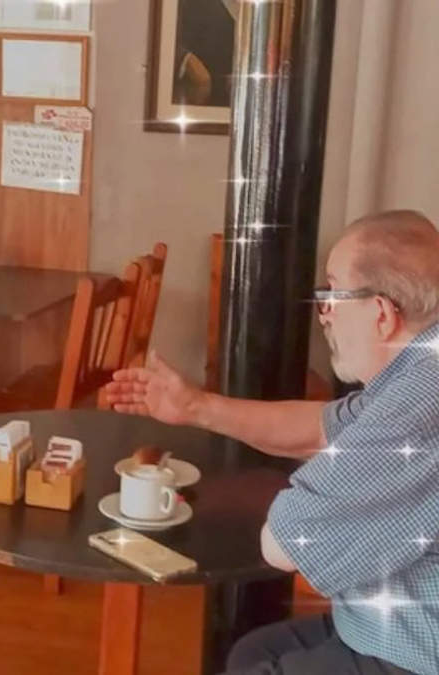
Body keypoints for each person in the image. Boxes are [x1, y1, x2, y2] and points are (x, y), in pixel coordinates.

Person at [103, 210, 439, 675]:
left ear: (381, 314)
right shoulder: (419, 370)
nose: (324, 314)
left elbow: (283, 544)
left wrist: (250, 497)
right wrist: (195, 406)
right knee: (250, 653)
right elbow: (320, 429)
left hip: (413, 653)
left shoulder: (415, 406)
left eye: (332, 294)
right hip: (385, 624)